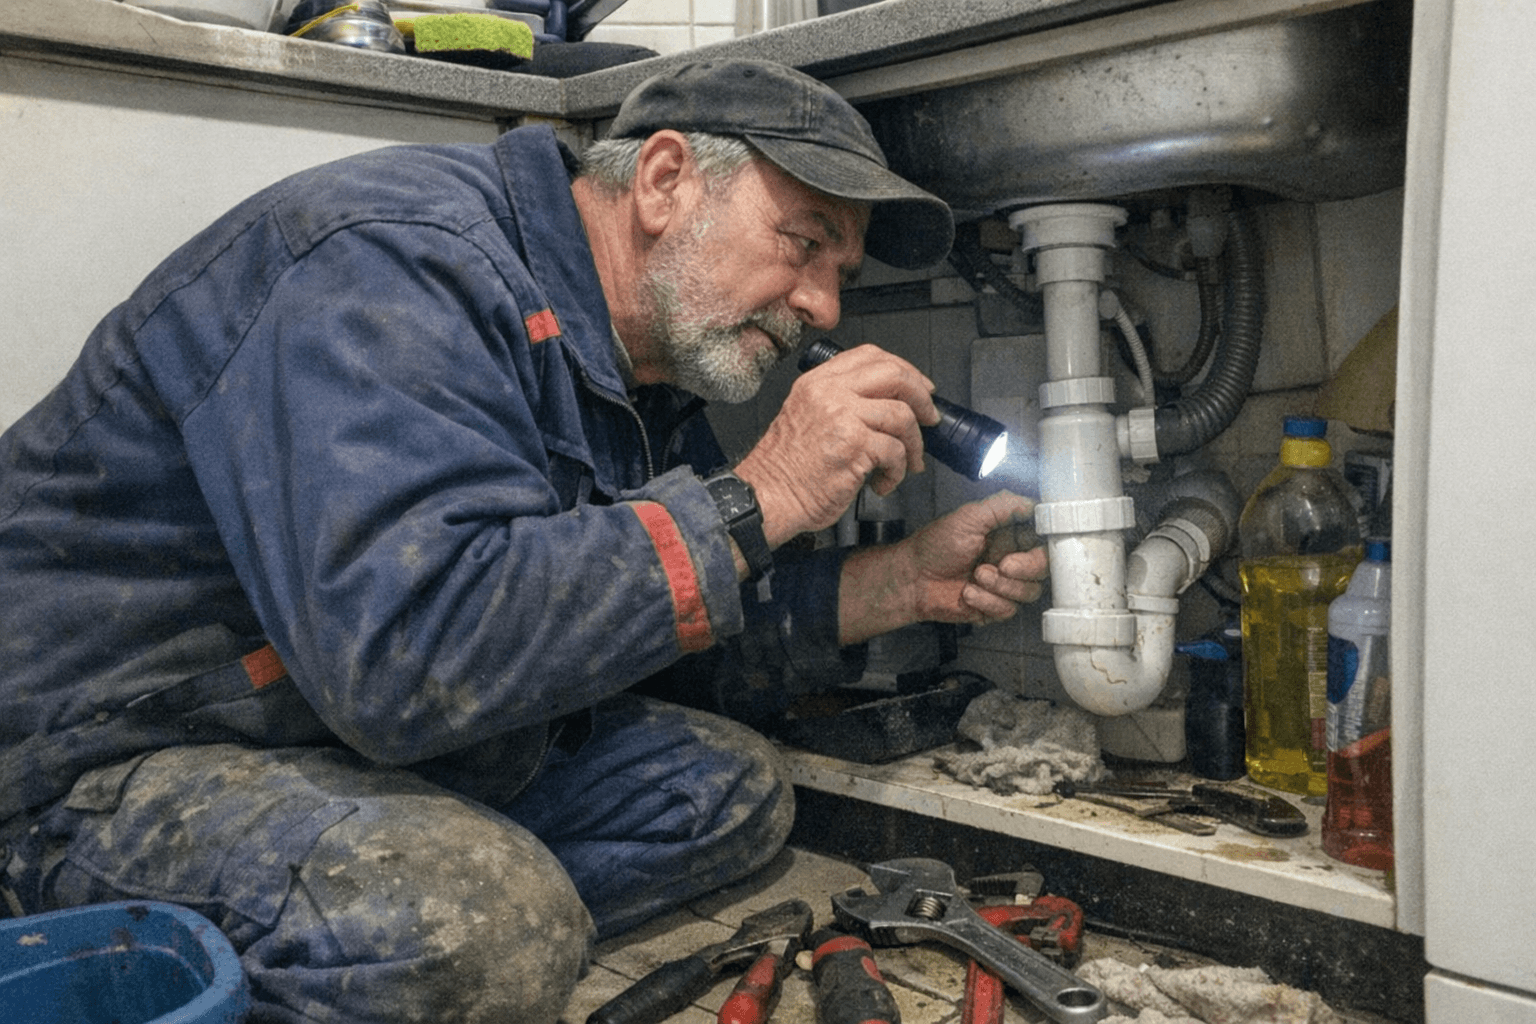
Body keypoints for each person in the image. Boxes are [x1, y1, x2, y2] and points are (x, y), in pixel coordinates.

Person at [0, 59, 1047, 1023]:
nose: (823, 305)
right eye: (804, 242)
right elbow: (408, 659)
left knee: (724, 792)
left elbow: (638, 637)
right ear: (665, 182)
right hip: (97, 756)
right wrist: (762, 493)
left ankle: (377, 953)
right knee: (489, 923)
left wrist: (896, 584)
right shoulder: (390, 262)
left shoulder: (641, 360)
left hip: (323, 731)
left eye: (841, 272)